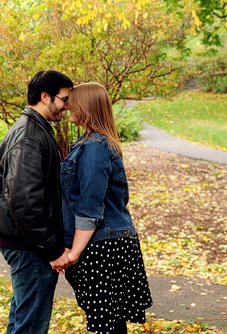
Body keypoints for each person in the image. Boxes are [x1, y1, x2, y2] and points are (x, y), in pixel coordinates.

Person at [61, 82, 152, 334]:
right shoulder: (88, 144)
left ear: (86, 107)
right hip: (106, 243)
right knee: (110, 323)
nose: (67, 105)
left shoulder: (94, 149)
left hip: (104, 246)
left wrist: (73, 253)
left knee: (106, 325)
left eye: (72, 101)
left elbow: (90, 206)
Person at [0, 69, 75, 334]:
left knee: (23, 319)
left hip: (28, 242)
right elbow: (25, 201)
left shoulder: (37, 130)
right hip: (30, 245)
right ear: (45, 97)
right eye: (64, 100)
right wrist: (53, 250)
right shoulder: (29, 136)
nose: (67, 107)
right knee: (31, 325)